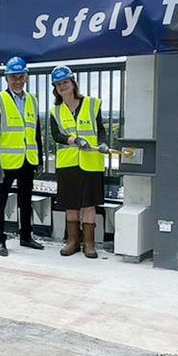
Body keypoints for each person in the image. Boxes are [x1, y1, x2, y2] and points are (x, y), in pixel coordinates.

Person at [0, 56, 45, 257]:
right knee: (0, 201)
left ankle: (26, 237)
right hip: (6, 162)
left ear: (26, 77)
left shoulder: (33, 100)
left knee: (26, 200)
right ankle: (0, 241)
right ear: (7, 78)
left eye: (20, 77)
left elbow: (36, 132)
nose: (17, 81)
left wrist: (40, 159)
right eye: (13, 77)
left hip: (28, 160)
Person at [49, 65, 105, 259]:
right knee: (71, 204)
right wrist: (74, 140)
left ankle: (89, 243)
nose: (62, 86)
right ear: (55, 89)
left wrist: (104, 144)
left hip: (91, 162)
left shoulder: (91, 104)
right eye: (58, 84)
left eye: (64, 82)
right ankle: (72, 241)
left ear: (73, 82)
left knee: (89, 204)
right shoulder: (55, 110)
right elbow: (56, 136)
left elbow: (100, 129)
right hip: (68, 163)